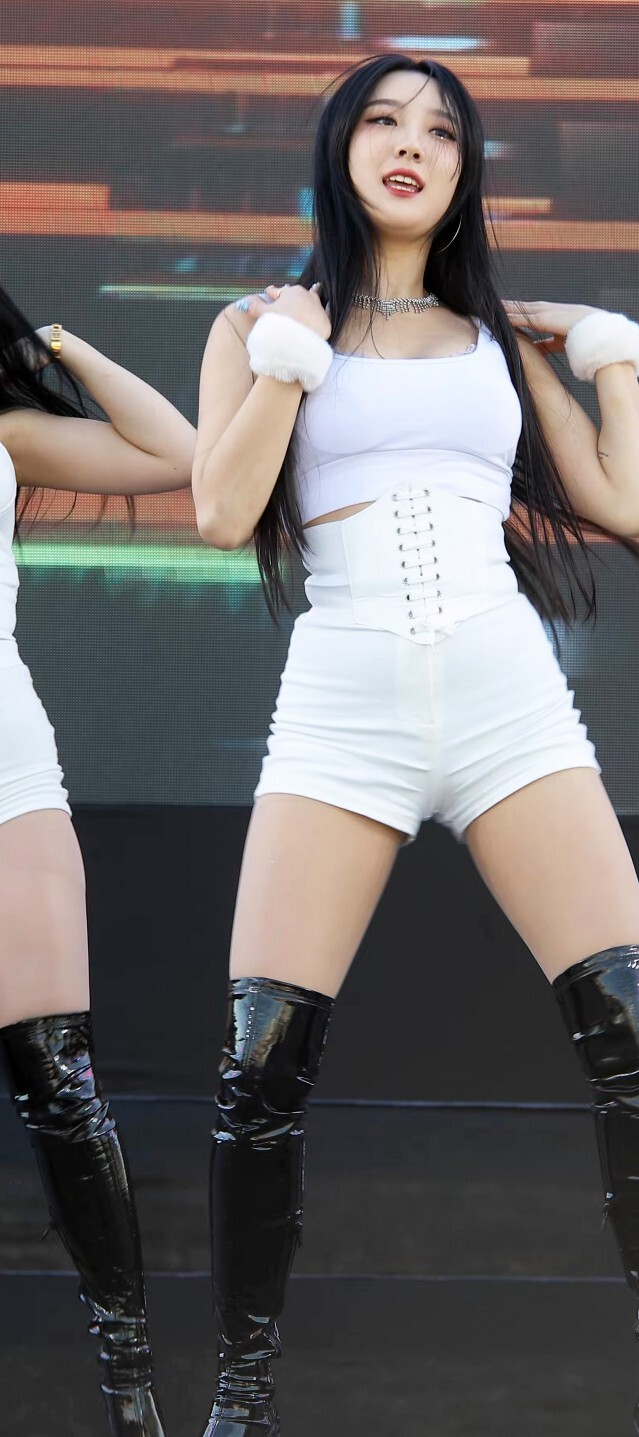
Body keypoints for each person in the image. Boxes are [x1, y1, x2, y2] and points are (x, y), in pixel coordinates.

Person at [192, 54, 639, 1437]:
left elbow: (628, 502)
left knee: (632, 1037)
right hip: (343, 702)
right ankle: (240, 1404)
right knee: (258, 1066)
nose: (409, 143)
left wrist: (603, 352)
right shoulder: (255, 322)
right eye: (382, 120)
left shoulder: (494, 339)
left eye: (440, 129)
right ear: (340, 146)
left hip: (505, 700)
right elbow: (221, 512)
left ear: (466, 170)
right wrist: (292, 359)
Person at [0, 284, 195, 1436]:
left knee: (61, 1085)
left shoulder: (5, 431)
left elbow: (174, 452)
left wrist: (50, 343)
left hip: (7, 778)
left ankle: (134, 1401)